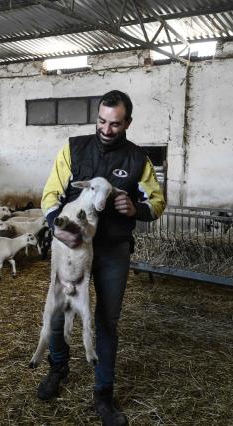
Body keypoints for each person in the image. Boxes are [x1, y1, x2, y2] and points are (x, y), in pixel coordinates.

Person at [39, 90, 165, 425]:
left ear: (128, 123)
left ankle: (103, 395)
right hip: (75, 247)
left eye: (115, 124)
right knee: (58, 311)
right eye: (102, 121)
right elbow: (50, 193)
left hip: (112, 249)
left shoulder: (138, 159)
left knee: (107, 320)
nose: (106, 129)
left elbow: (158, 202)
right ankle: (58, 366)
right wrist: (55, 223)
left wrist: (137, 209)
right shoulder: (74, 148)